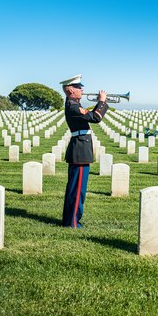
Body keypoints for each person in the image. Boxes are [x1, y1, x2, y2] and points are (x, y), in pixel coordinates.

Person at [60, 74, 108, 228]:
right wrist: (101, 102)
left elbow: (90, 115)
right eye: (78, 87)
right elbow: (96, 117)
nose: (82, 89)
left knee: (75, 188)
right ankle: (73, 222)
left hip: (80, 148)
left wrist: (100, 103)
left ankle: (70, 220)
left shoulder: (74, 105)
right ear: (70, 90)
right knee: (78, 189)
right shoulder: (73, 106)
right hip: (80, 150)